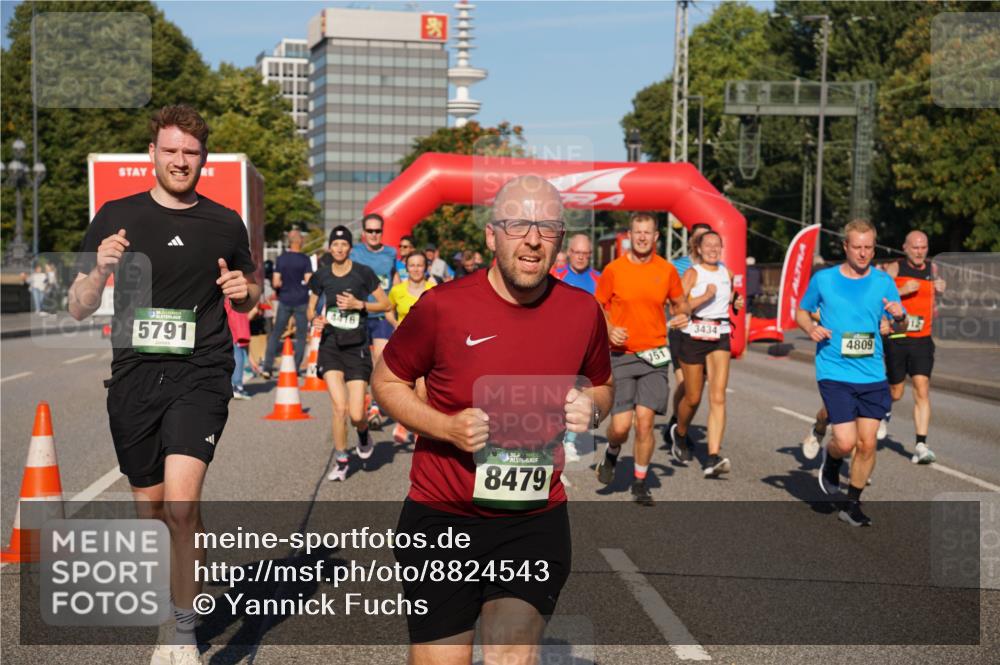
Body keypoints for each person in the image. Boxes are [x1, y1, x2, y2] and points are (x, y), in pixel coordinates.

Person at [372, 175, 613, 665]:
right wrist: (445, 427)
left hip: (533, 519)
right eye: (519, 224)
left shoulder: (582, 311)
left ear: (560, 240)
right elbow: (387, 383)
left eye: (546, 227)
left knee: (510, 656)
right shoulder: (442, 307)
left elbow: (602, 384)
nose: (532, 238)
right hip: (442, 519)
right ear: (491, 235)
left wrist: (593, 405)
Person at [67, 105, 258, 665]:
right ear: (152, 153)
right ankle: (168, 612)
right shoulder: (116, 215)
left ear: (204, 159)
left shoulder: (225, 222)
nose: (180, 161)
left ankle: (181, 632)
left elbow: (250, 292)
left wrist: (240, 290)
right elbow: (77, 307)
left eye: (191, 153)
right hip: (134, 377)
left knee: (180, 504)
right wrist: (99, 269)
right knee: (150, 512)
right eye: (170, 151)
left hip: (200, 371)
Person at [796, 219, 905, 527]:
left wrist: (897, 318)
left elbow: (898, 320)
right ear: (845, 246)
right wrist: (810, 327)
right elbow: (802, 311)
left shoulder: (884, 282)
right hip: (835, 370)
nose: (862, 253)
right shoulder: (825, 279)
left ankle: (852, 503)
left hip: (872, 373)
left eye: (868, 247)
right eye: (856, 247)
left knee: (868, 444)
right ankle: (831, 461)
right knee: (845, 442)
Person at [594, 212, 689, 506]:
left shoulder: (667, 270)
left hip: (655, 356)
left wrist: (681, 315)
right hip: (621, 356)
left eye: (648, 232)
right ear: (630, 235)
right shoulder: (614, 269)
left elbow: (679, 302)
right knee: (621, 427)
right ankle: (612, 452)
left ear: (657, 237)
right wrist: (609, 328)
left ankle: (640, 482)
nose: (643, 237)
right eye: (638, 232)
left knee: (645, 423)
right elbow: (597, 304)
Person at [308, 225, 390, 481]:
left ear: (350, 249)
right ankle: (342, 459)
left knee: (356, 414)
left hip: (357, 347)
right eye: (335, 244)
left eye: (344, 245)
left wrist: (359, 304)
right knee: (339, 408)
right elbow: (310, 310)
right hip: (330, 345)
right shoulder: (321, 276)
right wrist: (315, 321)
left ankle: (363, 434)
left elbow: (386, 303)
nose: (339, 248)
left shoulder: (363, 273)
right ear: (330, 248)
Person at [670, 231, 743, 477]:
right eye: (708, 245)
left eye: (717, 245)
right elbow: (678, 305)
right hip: (692, 335)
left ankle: (712, 457)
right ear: (698, 249)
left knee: (718, 396)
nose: (713, 249)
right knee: (692, 397)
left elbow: (730, 297)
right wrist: (705, 296)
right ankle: (679, 433)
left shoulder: (727, 273)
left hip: (720, 334)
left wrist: (735, 302)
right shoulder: (693, 273)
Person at [880, 230, 945, 464]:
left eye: (924, 247)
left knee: (922, 387)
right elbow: (878, 296)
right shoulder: (895, 268)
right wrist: (901, 291)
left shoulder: (932, 270)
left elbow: (936, 300)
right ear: (905, 248)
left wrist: (940, 290)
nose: (920, 252)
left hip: (922, 339)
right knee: (896, 391)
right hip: (897, 338)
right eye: (915, 247)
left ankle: (921, 444)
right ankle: (882, 412)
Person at [552, 233, 601, 461]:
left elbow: (606, 313)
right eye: (577, 253)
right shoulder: (556, 275)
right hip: (558, 344)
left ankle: (569, 441)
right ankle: (550, 435)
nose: (581, 257)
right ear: (569, 253)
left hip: (587, 346)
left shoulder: (599, 279)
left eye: (585, 253)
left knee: (579, 392)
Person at [350, 213, 398, 426]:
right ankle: (364, 399)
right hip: (358, 314)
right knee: (362, 364)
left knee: (380, 360)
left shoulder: (390, 253)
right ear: (363, 233)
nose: (373, 234)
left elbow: (395, 281)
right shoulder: (355, 252)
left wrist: (396, 306)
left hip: (382, 314)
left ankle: (376, 407)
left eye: (377, 231)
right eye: (370, 231)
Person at [667, 222, 713, 439]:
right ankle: (678, 426)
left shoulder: (718, 267)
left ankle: (676, 423)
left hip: (707, 334)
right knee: (685, 384)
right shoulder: (678, 266)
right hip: (682, 331)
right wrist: (702, 298)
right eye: (698, 238)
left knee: (697, 389)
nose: (702, 242)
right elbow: (675, 302)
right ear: (692, 242)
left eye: (707, 237)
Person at [385, 251, 436, 445]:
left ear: (426, 268)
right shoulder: (397, 290)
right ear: (406, 268)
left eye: (419, 265)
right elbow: (388, 309)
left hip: (427, 346)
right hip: (403, 345)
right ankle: (404, 423)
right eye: (412, 265)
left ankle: (416, 427)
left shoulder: (434, 289)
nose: (416, 269)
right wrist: (395, 324)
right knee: (405, 388)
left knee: (422, 390)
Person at [261, 229, 312, 378]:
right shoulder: (305, 259)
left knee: (276, 334)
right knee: (302, 336)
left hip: (285, 300)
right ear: (300, 241)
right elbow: (309, 280)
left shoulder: (281, 259)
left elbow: (276, 282)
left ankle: (267, 367)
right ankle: (295, 368)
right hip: (302, 300)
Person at [225, 298, 253, 400]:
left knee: (237, 356)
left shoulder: (227, 298)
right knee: (238, 356)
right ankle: (237, 386)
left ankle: (235, 385)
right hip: (236, 329)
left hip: (233, 328)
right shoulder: (235, 297)